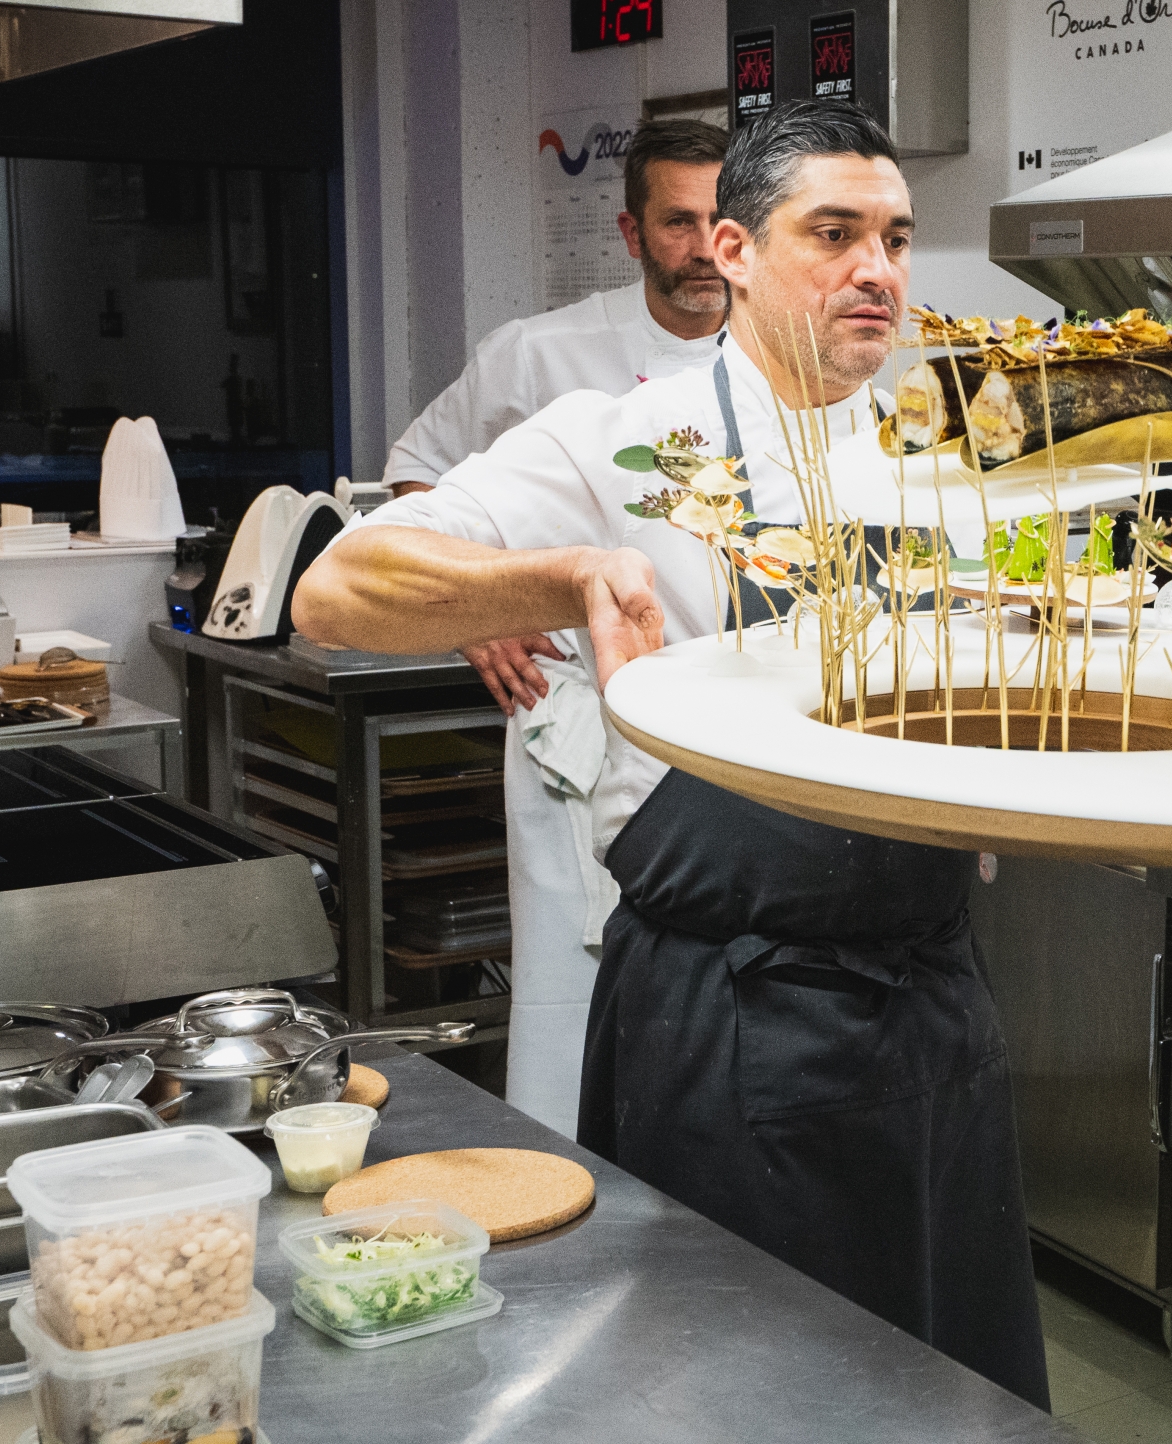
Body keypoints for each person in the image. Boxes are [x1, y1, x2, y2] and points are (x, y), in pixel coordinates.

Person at [292, 100, 1052, 1409]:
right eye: (835, 234)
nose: (877, 269)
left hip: (931, 1005)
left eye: (897, 238)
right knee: (739, 1402)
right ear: (739, 252)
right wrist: (564, 571)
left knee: (945, 1395)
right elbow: (338, 588)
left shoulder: (937, 462)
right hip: (732, 1016)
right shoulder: (632, 442)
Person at [380, 119, 726, 1141]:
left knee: (712, 998)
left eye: (723, 221)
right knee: (574, 987)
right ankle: (568, 1198)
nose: (704, 246)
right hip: (575, 716)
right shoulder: (544, 351)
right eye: (678, 222)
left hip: (733, 734)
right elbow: (415, 474)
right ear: (631, 231)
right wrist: (481, 608)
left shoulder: (784, 361)